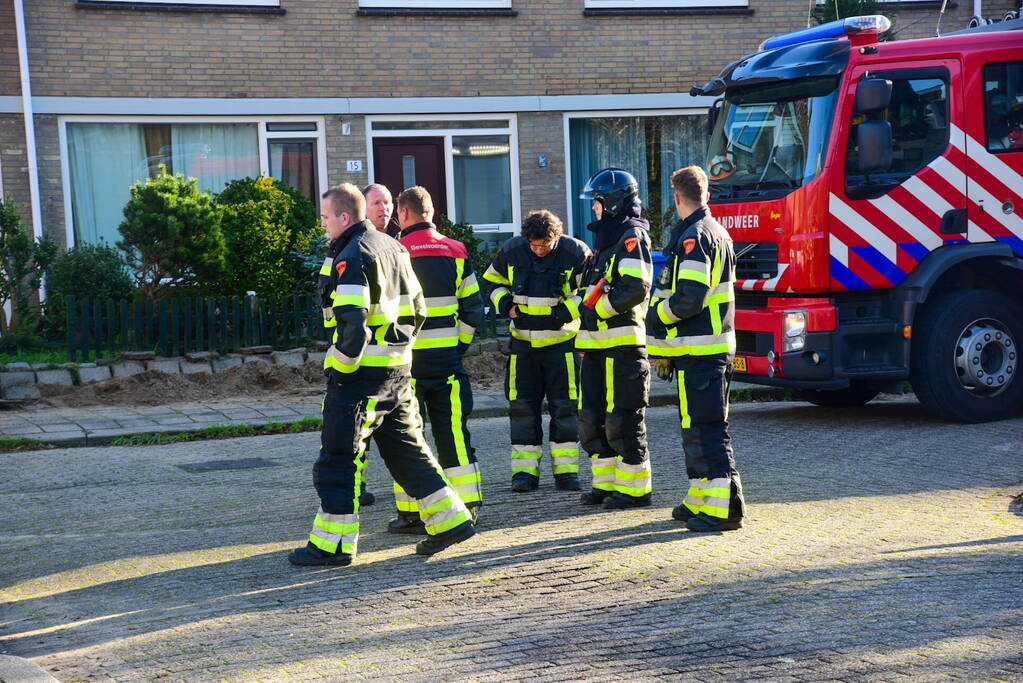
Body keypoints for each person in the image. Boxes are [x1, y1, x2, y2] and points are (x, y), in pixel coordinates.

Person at [289, 183, 475, 566]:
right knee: (406, 450)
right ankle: (451, 521)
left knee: (338, 458)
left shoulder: (353, 255)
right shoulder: (395, 246)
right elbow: (419, 310)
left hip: (361, 377)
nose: (323, 226)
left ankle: (333, 545)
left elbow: (353, 327)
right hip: (399, 372)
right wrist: (398, 352)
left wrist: (338, 366)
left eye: (325, 218)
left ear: (344, 217)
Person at [646, 165, 746, 532]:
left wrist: (656, 315)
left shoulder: (696, 238)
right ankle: (701, 497)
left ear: (676, 198)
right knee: (695, 425)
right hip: (703, 349)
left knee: (706, 427)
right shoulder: (712, 231)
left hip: (704, 351)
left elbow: (689, 299)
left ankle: (724, 510)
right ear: (707, 194)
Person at [387, 185, 486, 534]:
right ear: (431, 211)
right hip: (447, 364)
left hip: (406, 366)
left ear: (404, 214)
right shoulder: (457, 251)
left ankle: (414, 512)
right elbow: (473, 308)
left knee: (410, 437)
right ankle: (467, 504)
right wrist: (456, 347)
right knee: (454, 433)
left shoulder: (396, 251)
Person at [483, 210, 591, 493]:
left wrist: (565, 312)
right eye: (534, 245)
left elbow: (591, 289)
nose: (539, 250)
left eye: (545, 244)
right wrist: (506, 304)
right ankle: (524, 474)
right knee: (522, 410)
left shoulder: (576, 252)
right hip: (523, 347)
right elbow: (491, 282)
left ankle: (566, 473)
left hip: (561, 346)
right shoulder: (512, 250)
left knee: (565, 409)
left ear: (557, 238)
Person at [576, 168, 654, 509]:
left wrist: (601, 310)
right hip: (596, 349)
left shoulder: (632, 237)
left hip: (622, 349)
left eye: (597, 202)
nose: (593, 209)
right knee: (592, 419)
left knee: (623, 419)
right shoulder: (607, 241)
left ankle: (635, 490)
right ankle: (606, 485)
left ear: (611, 202)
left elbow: (636, 287)